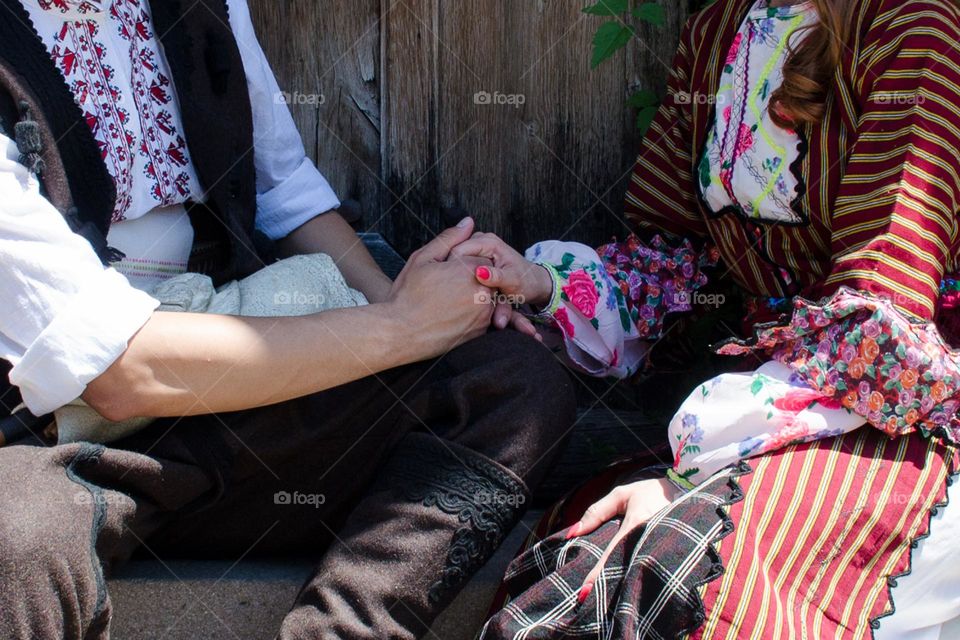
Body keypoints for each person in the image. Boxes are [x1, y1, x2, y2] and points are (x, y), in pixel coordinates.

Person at [0, 0, 576, 638]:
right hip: (55, 446)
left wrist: (413, 306)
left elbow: (282, 190)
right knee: (14, 533)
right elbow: (115, 369)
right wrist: (404, 328)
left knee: (509, 379)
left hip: (235, 410)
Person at [461, 0, 960, 637]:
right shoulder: (721, 29)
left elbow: (884, 309)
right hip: (789, 410)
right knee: (585, 557)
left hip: (915, 417)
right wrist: (542, 284)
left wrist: (697, 471)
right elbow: (676, 255)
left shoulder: (916, 28)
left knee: (681, 564)